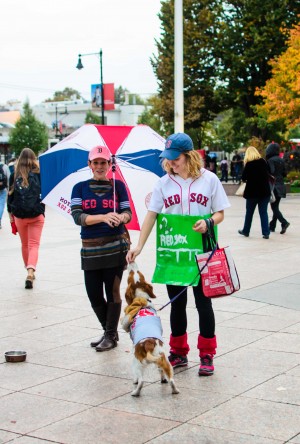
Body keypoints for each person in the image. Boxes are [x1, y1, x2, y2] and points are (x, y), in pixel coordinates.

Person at [126, 133, 230, 376]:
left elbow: (220, 213)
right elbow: (152, 214)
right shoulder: (163, 183)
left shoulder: (210, 180)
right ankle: (179, 351)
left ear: (189, 155)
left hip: (201, 252)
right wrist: (139, 245)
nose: (172, 163)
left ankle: (206, 354)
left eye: (176, 158)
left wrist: (208, 222)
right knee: (177, 304)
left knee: (204, 304)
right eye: (169, 158)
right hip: (174, 252)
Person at [71, 145, 132, 352]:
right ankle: (109, 331)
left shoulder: (119, 187)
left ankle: (109, 334)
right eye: (95, 162)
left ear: (109, 164)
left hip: (115, 247)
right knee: (93, 294)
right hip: (90, 248)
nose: (99, 166)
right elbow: (78, 217)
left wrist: (120, 217)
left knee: (112, 291)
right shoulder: (79, 188)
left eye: (103, 162)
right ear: (89, 164)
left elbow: (127, 213)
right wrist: (104, 216)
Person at [7, 148, 45, 288]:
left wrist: (10, 215)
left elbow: (10, 196)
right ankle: (31, 270)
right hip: (36, 213)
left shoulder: (14, 174)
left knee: (25, 244)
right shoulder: (40, 174)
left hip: (19, 215)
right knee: (34, 244)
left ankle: (28, 270)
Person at [238, 146, 271, 239]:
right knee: (263, 212)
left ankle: (246, 231)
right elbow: (269, 173)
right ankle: (266, 233)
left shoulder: (249, 164)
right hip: (265, 192)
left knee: (249, 213)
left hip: (252, 193)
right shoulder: (263, 162)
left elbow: (243, 178)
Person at [266, 142, 290, 234]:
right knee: (275, 206)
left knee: (274, 207)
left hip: (274, 186)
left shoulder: (271, 160)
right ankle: (272, 226)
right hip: (281, 186)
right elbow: (284, 173)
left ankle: (284, 222)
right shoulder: (281, 160)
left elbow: (271, 172)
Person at [0, 160, 10, 229]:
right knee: (1, 204)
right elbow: (8, 177)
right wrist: (9, 188)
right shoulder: (5, 166)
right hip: (3, 188)